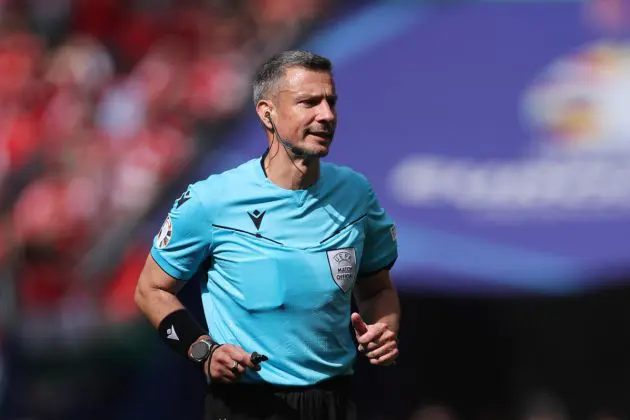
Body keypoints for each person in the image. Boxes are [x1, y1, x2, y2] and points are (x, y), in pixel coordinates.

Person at [134, 50, 401, 420]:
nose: (326, 115)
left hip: (335, 403)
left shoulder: (356, 194)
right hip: (248, 405)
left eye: (331, 102)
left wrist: (384, 328)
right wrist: (202, 350)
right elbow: (151, 289)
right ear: (267, 113)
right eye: (309, 102)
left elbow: (377, 290)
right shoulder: (211, 200)